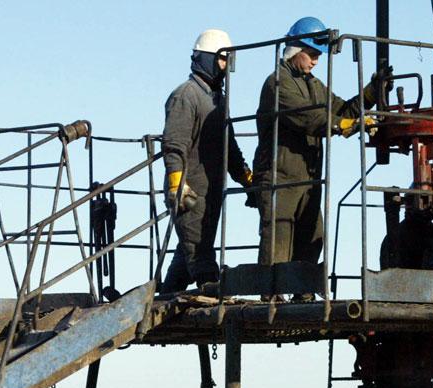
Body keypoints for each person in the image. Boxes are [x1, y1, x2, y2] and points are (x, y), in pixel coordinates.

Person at [252, 17, 391, 294]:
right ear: (295, 49)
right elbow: (309, 118)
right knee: (279, 238)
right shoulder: (277, 85)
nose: (316, 61)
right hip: (280, 176)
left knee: (313, 236)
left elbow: (342, 110)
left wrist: (372, 93)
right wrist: (342, 126)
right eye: (313, 54)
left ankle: (302, 293)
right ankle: (271, 298)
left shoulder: (313, 84)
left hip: (308, 177)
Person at [160, 28, 257, 294]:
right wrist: (176, 184)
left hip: (212, 191)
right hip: (190, 192)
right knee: (200, 254)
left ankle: (168, 294)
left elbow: (230, 147)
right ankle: (212, 290)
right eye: (222, 59)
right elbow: (174, 144)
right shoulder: (186, 95)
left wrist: (246, 177)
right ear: (207, 58)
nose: (225, 66)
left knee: (189, 249)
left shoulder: (217, 100)